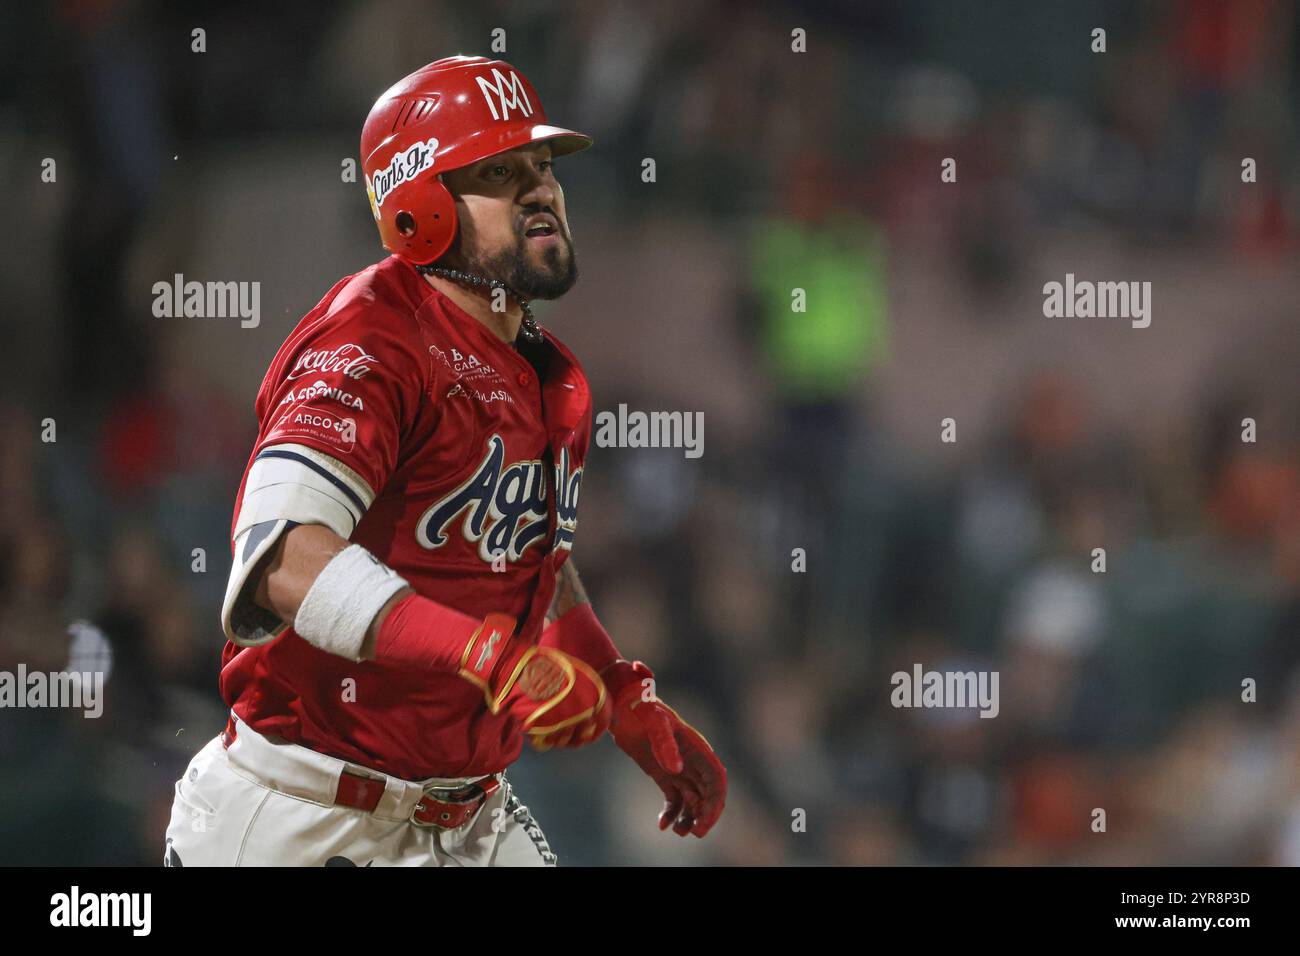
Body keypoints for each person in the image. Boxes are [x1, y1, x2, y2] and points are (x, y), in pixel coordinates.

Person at [163, 55, 726, 866]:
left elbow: (533, 561)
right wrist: (492, 660)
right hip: (309, 813)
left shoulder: (550, 373)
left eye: (543, 166)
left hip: (468, 818)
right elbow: (284, 560)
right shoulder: (373, 334)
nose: (542, 189)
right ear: (419, 208)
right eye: (500, 170)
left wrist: (623, 695)